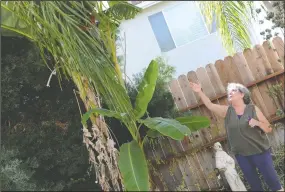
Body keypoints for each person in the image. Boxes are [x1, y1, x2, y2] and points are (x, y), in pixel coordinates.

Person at [189, 82, 283, 191]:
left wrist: (258, 123)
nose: (230, 92)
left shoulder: (253, 109)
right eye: (229, 91)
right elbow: (210, 105)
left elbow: (269, 128)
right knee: (255, 187)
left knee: (274, 183)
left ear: (242, 94)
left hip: (260, 151)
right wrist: (199, 91)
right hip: (242, 155)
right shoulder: (227, 111)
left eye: (233, 90)